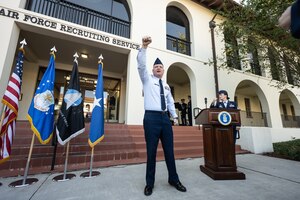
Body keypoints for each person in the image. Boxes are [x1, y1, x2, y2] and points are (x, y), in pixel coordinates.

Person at [137, 36, 187, 196]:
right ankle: (149, 183)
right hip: (151, 119)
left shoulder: (165, 85)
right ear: (153, 70)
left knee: (169, 152)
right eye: (156, 66)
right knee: (151, 152)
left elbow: (170, 101)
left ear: (163, 70)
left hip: (165, 119)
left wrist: (175, 117)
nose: (158, 68)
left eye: (161, 66)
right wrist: (144, 48)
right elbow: (141, 65)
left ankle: (174, 179)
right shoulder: (146, 79)